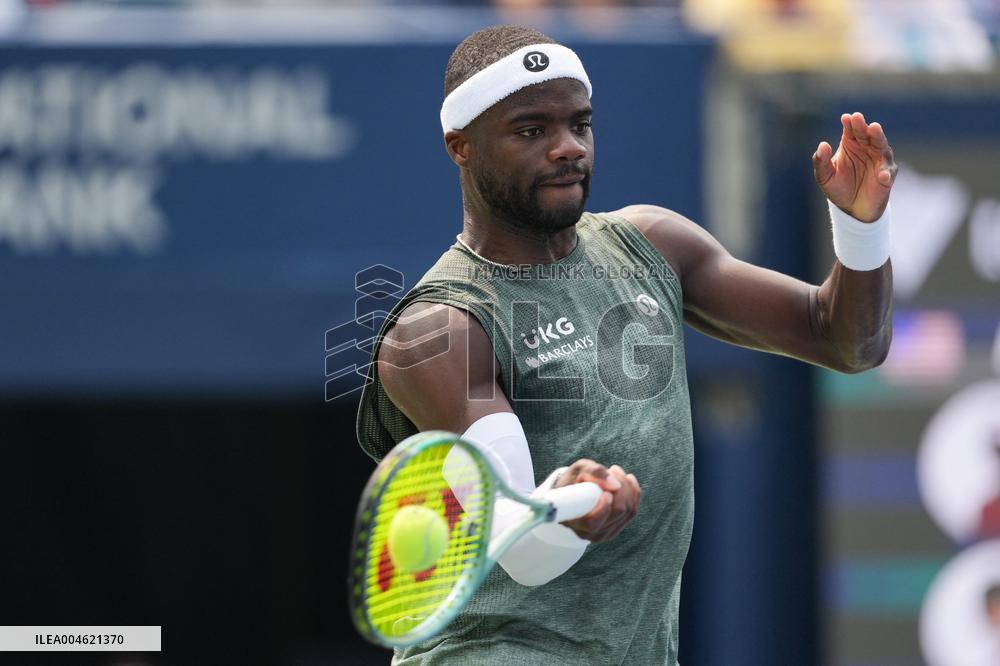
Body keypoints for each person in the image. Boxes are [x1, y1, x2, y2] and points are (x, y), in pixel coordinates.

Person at [356, 25, 895, 665]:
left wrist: (862, 228)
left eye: (579, 125)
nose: (566, 148)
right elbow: (523, 548)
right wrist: (571, 509)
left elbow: (846, 342)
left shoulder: (652, 244)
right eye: (532, 131)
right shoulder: (437, 330)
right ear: (460, 147)